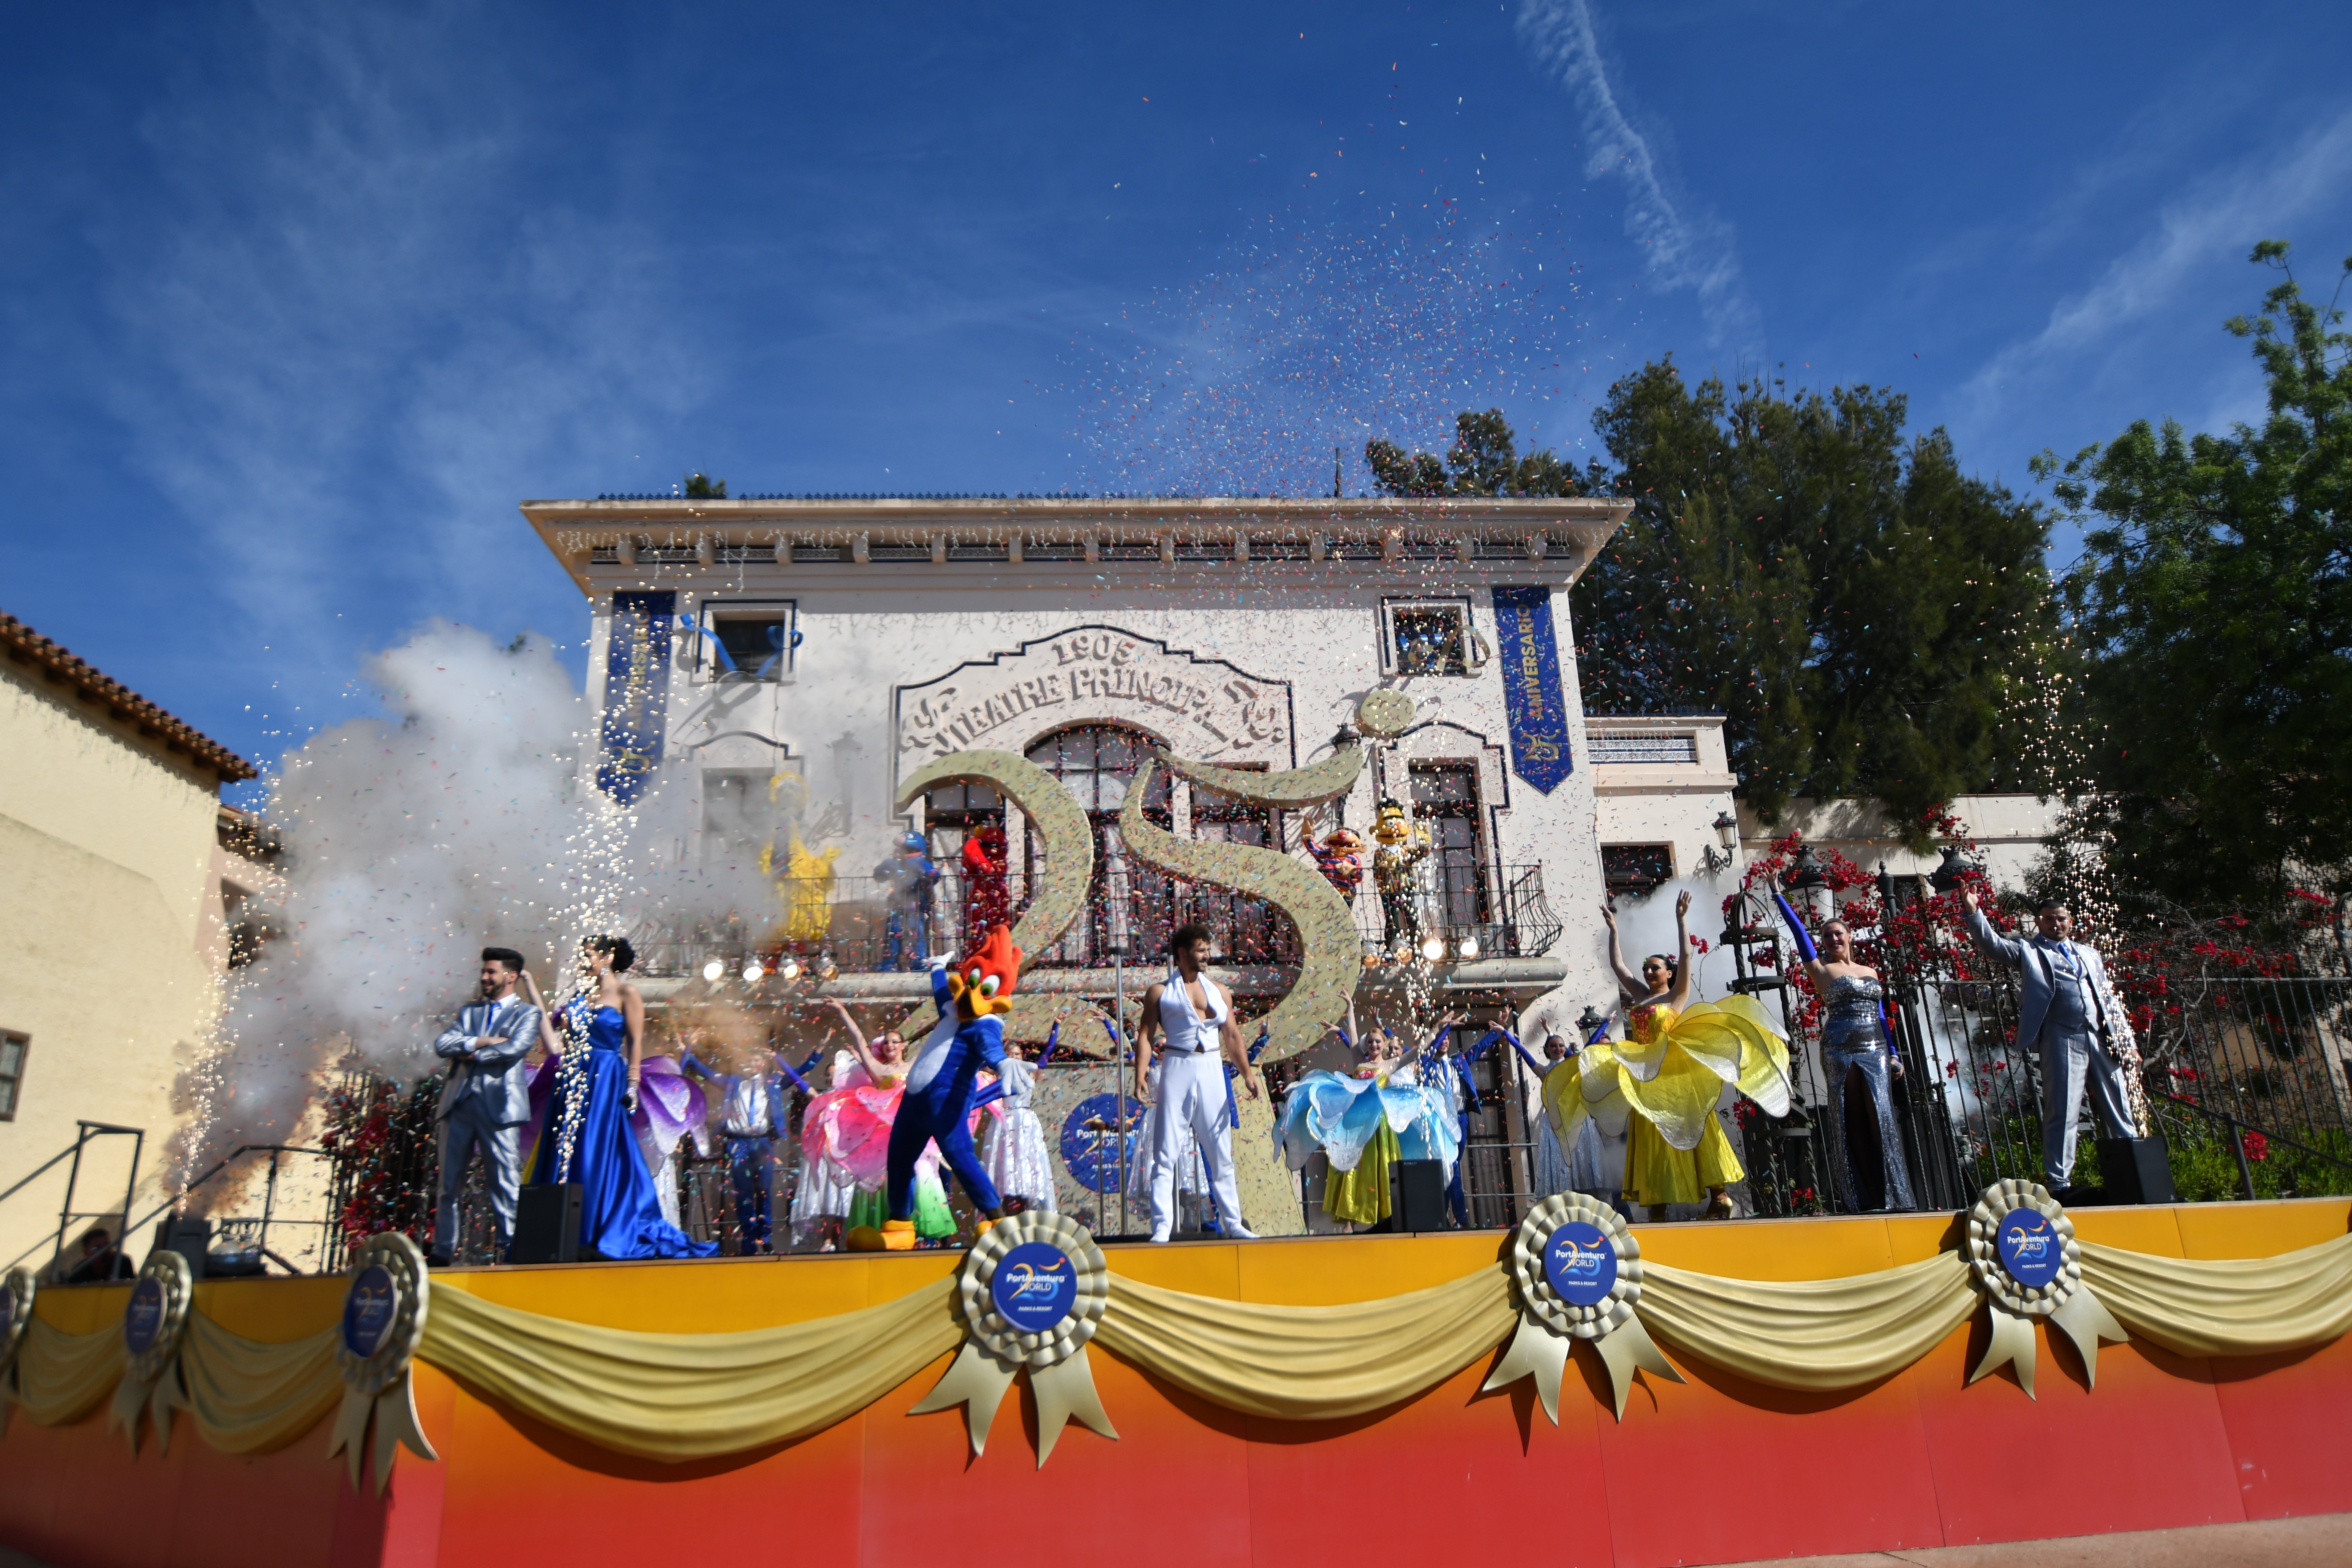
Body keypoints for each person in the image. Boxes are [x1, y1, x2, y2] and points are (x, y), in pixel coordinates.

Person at [1551, 893, 1790, 1222]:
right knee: (1651, 1136)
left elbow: (1688, 956)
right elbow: (1619, 967)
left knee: (1698, 1129)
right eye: (1647, 968)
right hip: (1646, 1078)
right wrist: (1613, 930)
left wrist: (1681, 920)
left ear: (1669, 972)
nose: (1649, 972)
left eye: (1656, 968)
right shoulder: (1639, 997)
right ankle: (1659, 1206)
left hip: (1676, 1077)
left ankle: (1719, 1195)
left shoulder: (1677, 995)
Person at [517, 939, 716, 1260]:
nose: (583, 962)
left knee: (598, 1147)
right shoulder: (580, 998)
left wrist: (632, 1086)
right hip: (572, 1079)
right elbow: (554, 1042)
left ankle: (597, 1230)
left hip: (606, 1077)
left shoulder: (628, 995)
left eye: (589, 956)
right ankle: (562, 1231)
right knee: (568, 1148)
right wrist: (530, 987)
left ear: (608, 958)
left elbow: (635, 1043)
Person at [847, 925, 1021, 1251]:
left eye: (983, 988)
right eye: (972, 982)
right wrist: (939, 967)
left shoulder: (985, 1023)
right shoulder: (952, 1011)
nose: (972, 992)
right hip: (913, 1104)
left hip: (948, 1101)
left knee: (960, 1157)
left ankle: (999, 1222)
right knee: (898, 1160)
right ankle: (899, 1227)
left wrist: (1003, 1064)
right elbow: (942, 993)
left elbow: (991, 1048)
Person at [1960, 885, 2141, 1194]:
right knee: (2064, 1107)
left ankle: (2137, 1168)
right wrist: (1973, 912)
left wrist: (2127, 1043)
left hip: (2099, 1035)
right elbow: (1992, 946)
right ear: (2038, 923)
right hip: (2061, 1036)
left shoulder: (2089, 953)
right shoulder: (2028, 950)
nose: (2055, 925)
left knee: (2118, 1101)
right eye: (2048, 920)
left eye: (2060, 919)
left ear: (2070, 921)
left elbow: (2109, 1001)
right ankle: (2060, 1181)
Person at [1135, 923, 1264, 1243]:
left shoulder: (1219, 991)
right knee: (1165, 1152)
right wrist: (1139, 1076)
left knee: (1221, 1150)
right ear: (1182, 953)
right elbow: (1145, 1036)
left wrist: (1247, 1074)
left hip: (1211, 1068)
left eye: (1208, 949)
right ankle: (1162, 1226)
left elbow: (1232, 1035)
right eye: (1201, 949)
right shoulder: (1160, 992)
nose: (1207, 955)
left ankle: (1234, 1223)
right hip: (1177, 1066)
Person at [1275, 1017, 1460, 1230]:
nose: (1374, 1045)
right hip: (1354, 1124)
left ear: (1384, 1044)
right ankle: (1348, 1222)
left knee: (1380, 1167)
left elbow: (1420, 1049)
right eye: (1371, 1042)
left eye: (1378, 1042)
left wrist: (1437, 1028)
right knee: (1350, 1167)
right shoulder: (1359, 1062)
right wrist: (1350, 1010)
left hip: (1379, 1126)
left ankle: (1387, 1217)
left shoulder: (1391, 1065)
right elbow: (1353, 1036)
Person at [804, 1000, 958, 1244]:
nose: (889, 1045)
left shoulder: (915, 1064)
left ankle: (926, 1235)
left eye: (894, 1041)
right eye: (886, 1042)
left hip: (915, 1129)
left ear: (904, 1046)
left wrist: (952, 1018)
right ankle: (891, 1229)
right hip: (886, 1136)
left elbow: (938, 1044)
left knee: (922, 1174)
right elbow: (857, 1037)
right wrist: (842, 1011)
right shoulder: (877, 1069)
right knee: (889, 1178)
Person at [1794, 917, 1917, 1213]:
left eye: (1838, 934)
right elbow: (1799, 934)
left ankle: (1894, 1196)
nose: (1833, 939)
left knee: (1881, 1114)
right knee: (1854, 1117)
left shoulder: (1870, 972)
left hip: (1874, 1046)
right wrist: (1777, 894)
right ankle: (1866, 1197)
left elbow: (1881, 1016)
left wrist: (1893, 1053)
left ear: (1849, 936)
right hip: (1840, 1046)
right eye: (1826, 936)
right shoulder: (1822, 969)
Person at [430, 947, 542, 1264]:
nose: (484, 978)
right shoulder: (469, 1013)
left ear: (511, 976)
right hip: (459, 1104)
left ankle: (512, 1250)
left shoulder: (528, 1014)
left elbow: (516, 1049)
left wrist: (469, 1053)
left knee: (505, 1182)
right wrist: (481, 1041)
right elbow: (442, 1044)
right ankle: (442, 1252)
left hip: (501, 1107)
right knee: (448, 1184)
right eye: (483, 972)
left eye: (491, 972)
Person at [680, 1040, 789, 1254]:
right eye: (749, 1060)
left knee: (765, 1191)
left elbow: (800, 1073)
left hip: (763, 1141)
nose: (752, 1063)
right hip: (738, 1143)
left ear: (764, 1062)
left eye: (756, 1059)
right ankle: (748, 1242)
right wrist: (689, 1049)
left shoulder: (772, 1082)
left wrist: (815, 1054)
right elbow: (706, 1072)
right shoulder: (733, 1082)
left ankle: (764, 1236)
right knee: (743, 1193)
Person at [978, 1042, 1058, 1215]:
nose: (1014, 1058)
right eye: (1010, 1054)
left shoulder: (1029, 1072)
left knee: (1025, 1165)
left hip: (1025, 1122)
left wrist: (1056, 1027)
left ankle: (1026, 1209)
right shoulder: (999, 1073)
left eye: (1017, 1055)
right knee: (1006, 1165)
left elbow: (1047, 1053)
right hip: (1004, 1122)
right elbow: (979, 1064)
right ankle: (1007, 1209)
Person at [874, 833, 940, 971]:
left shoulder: (920, 862)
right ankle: (890, 961)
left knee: (917, 932)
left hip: (916, 905)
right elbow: (878, 874)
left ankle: (919, 960)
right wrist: (885, 872)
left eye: (907, 850)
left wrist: (924, 873)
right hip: (896, 905)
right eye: (901, 849)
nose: (902, 853)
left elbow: (934, 876)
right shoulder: (893, 863)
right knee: (893, 932)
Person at [960, 823, 1010, 948]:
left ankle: (991, 952)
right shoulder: (983, 847)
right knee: (982, 925)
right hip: (986, 893)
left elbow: (969, 870)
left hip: (991, 893)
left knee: (993, 926)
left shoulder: (976, 847)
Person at [63, 1227, 133, 1284]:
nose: (104, 1250)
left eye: (107, 1245)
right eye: (97, 1248)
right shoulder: (80, 1269)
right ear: (86, 1252)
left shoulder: (122, 1261)